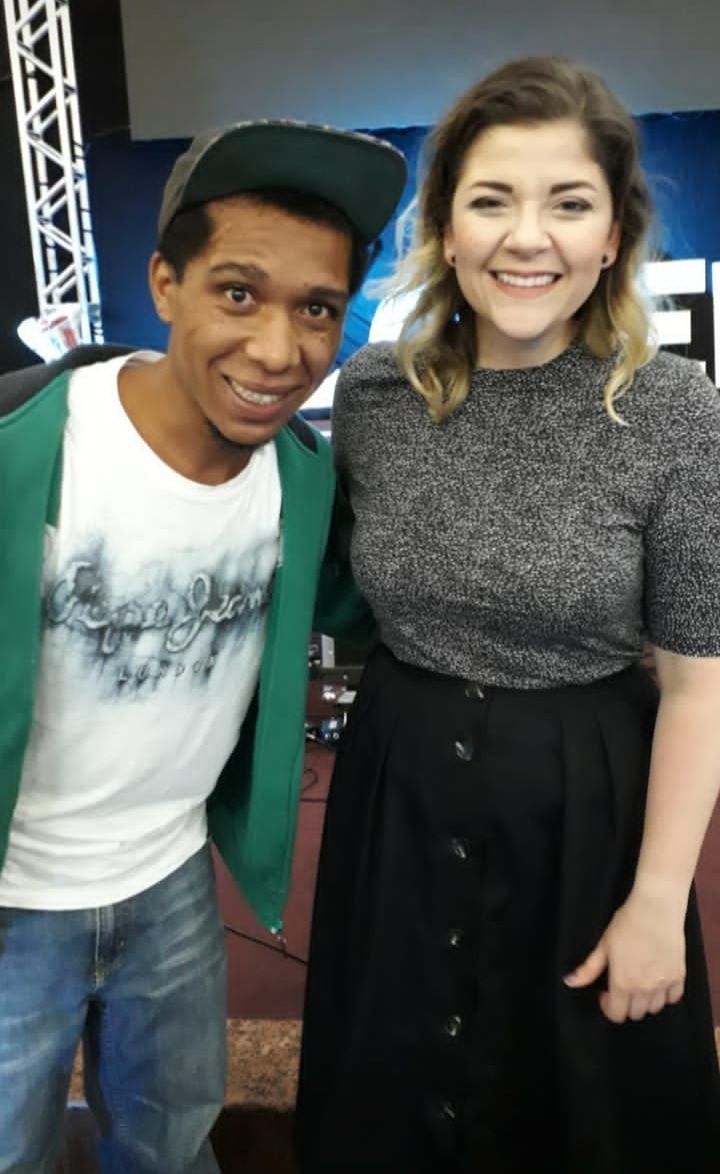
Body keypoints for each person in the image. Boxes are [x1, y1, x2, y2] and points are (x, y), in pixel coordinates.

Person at [295, 57, 720, 1174]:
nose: (528, 237)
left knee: (581, 1115)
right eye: (492, 201)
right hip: (396, 803)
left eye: (568, 204)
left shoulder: (675, 411)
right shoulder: (376, 395)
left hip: (587, 817)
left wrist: (657, 904)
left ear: (613, 236)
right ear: (446, 229)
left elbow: (698, 686)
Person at [0, 120, 406, 1173]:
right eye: (238, 292)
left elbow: (381, 608)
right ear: (165, 284)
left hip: (173, 880)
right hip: (12, 898)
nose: (278, 350)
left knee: (175, 1149)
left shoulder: (301, 478)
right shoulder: (24, 448)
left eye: (316, 309)